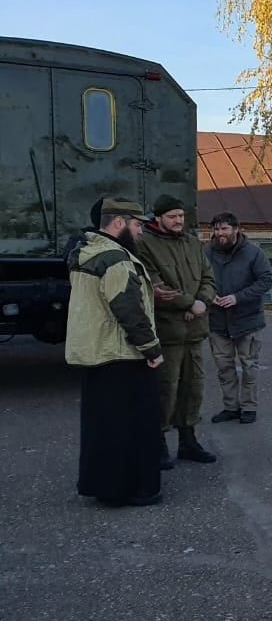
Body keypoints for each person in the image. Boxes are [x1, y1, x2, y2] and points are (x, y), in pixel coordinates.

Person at [66, 198, 165, 506]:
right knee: (134, 425)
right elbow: (128, 309)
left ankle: (104, 486)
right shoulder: (116, 259)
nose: (140, 233)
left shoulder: (86, 253)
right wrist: (152, 349)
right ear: (119, 223)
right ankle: (135, 489)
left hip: (96, 353)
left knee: (102, 425)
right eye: (137, 225)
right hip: (122, 355)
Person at [136, 194, 217, 468]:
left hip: (194, 330)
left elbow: (209, 278)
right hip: (167, 333)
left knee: (193, 387)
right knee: (165, 389)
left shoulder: (193, 243)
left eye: (181, 216)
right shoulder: (144, 243)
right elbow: (154, 286)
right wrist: (188, 303)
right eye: (172, 216)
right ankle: (157, 442)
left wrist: (201, 302)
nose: (178, 221)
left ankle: (188, 440)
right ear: (158, 218)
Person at [204, 212, 272, 425]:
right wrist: (209, 295)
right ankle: (230, 407)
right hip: (217, 321)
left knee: (249, 366)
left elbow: (266, 280)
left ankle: (249, 407)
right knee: (224, 367)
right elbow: (197, 278)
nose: (219, 233)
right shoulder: (206, 252)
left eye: (224, 229)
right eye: (216, 229)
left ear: (236, 229)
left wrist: (238, 298)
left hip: (247, 320)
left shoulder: (254, 253)